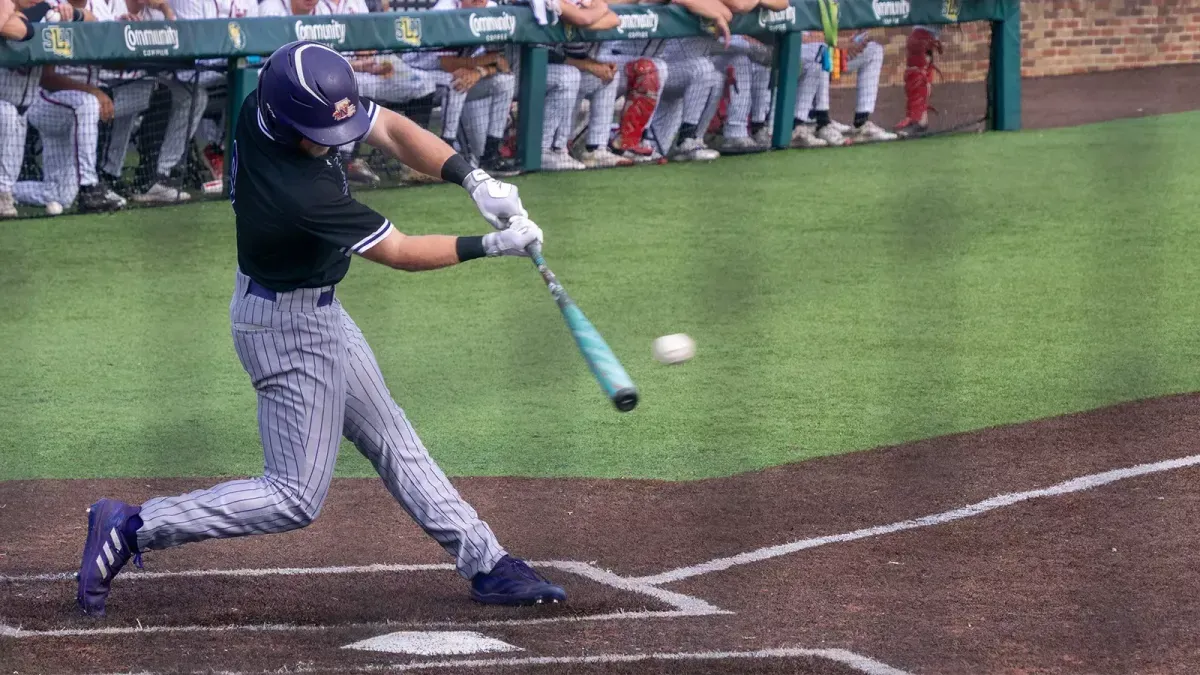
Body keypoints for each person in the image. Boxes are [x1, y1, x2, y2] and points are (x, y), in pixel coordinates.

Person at [76, 40, 566, 617]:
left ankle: (487, 563)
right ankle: (133, 525)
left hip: (316, 310)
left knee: (393, 438)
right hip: (283, 329)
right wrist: (492, 244)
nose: (334, 142)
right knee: (294, 497)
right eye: (321, 133)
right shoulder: (297, 193)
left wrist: (474, 178)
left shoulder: (272, 101)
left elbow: (389, 129)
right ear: (288, 124)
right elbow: (402, 250)